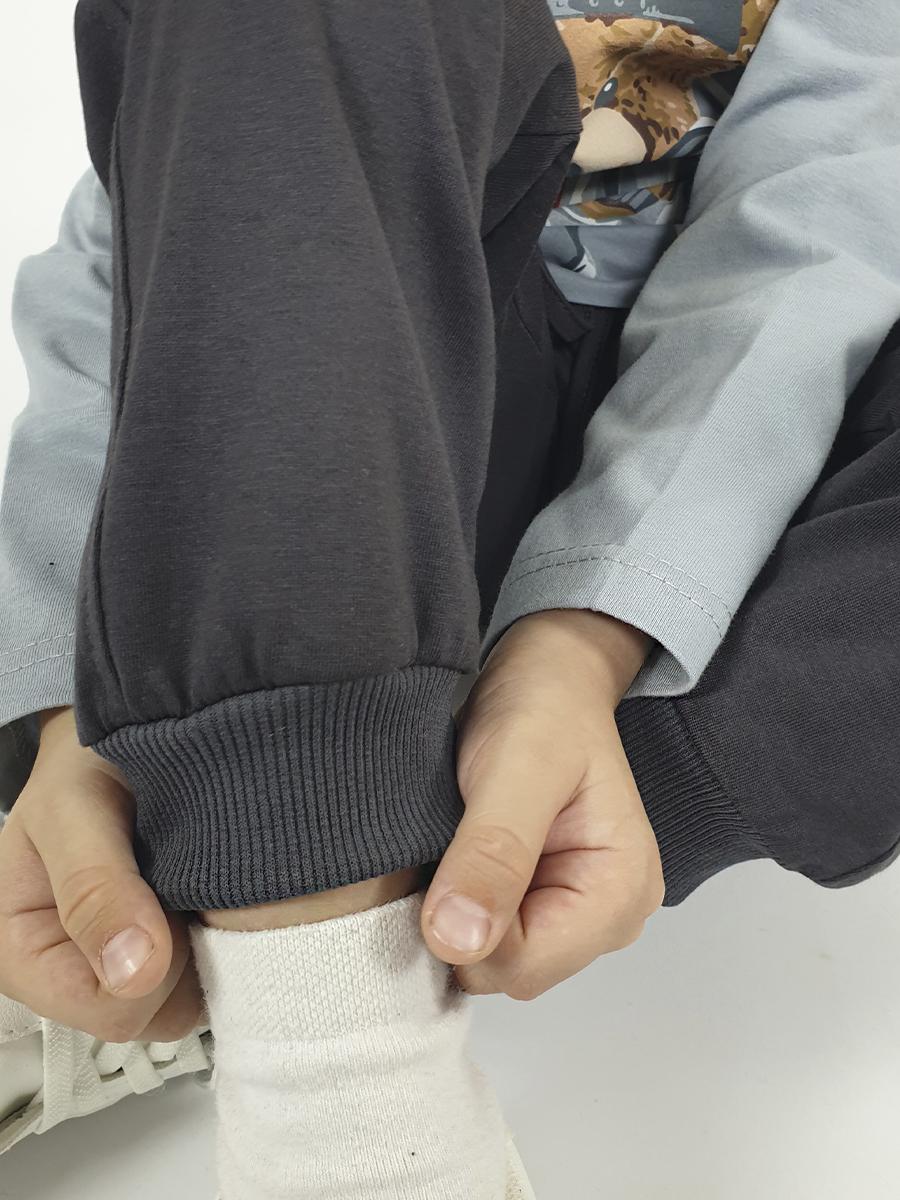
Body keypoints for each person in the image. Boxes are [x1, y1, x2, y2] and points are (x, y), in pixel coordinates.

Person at [1, 0, 899, 1194]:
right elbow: (146, 245)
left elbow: (809, 245)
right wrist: (78, 702)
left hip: (745, 475)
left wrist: (586, 636)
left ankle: (298, 911)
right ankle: (315, 1003)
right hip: (348, 429)